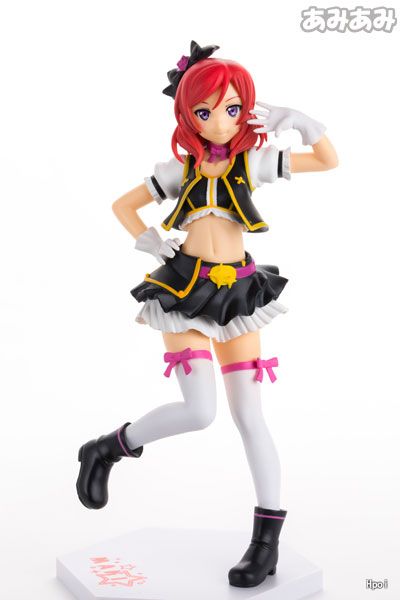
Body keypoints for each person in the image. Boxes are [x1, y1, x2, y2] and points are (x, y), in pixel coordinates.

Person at [76, 41, 338, 588]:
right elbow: (123, 205)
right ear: (187, 114)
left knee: (250, 416)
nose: (219, 121)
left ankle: (265, 543)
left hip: (238, 294)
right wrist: (151, 241)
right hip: (184, 291)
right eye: (204, 111)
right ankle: (110, 448)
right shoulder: (181, 169)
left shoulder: (254, 161)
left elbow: (327, 160)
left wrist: (303, 122)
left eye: (232, 108)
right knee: (199, 411)